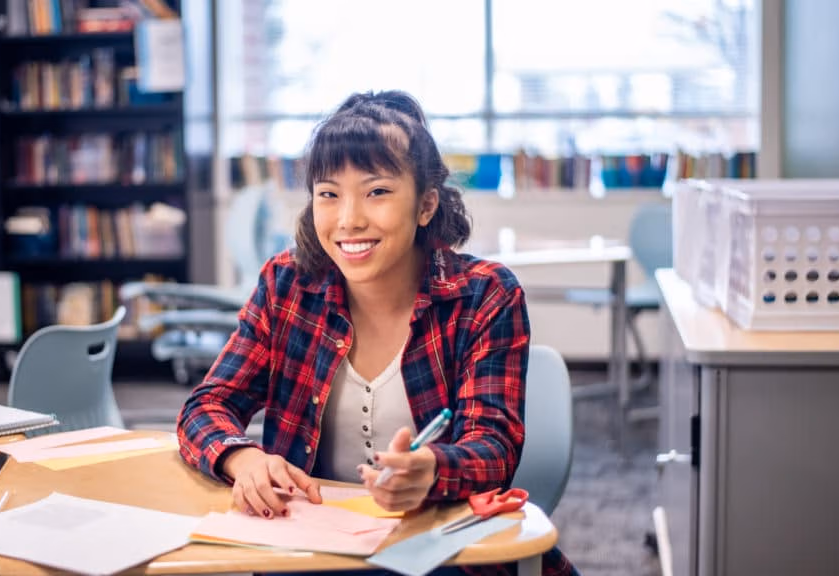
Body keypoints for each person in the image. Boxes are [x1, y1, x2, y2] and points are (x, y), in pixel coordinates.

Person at [177, 90, 578, 576]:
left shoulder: (484, 295)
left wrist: (432, 470)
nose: (349, 219)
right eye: (329, 194)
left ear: (426, 204)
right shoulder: (287, 285)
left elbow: (494, 447)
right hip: (314, 550)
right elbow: (206, 405)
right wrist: (241, 458)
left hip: (443, 550)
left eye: (377, 192)